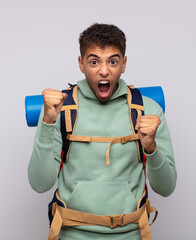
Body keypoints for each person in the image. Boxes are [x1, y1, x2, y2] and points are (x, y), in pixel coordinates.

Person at [28, 23, 176, 240]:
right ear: (81, 63)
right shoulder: (59, 109)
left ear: (124, 64)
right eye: (94, 61)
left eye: (113, 61)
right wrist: (48, 121)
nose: (104, 70)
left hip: (131, 233)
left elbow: (166, 187)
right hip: (72, 233)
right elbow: (39, 184)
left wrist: (151, 148)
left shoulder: (148, 110)